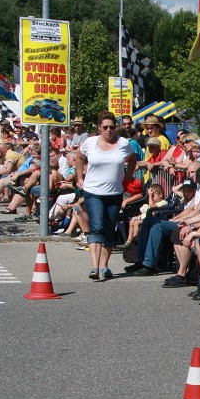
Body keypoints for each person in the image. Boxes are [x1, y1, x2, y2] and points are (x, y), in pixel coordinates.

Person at [77, 111, 137, 280]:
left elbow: (132, 159)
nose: (109, 130)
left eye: (111, 127)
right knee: (97, 226)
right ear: (99, 128)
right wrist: (79, 177)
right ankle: (94, 266)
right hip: (93, 191)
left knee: (110, 229)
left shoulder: (123, 143)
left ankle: (104, 266)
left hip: (114, 192)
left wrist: (128, 176)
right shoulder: (90, 142)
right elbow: (79, 158)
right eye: (105, 127)